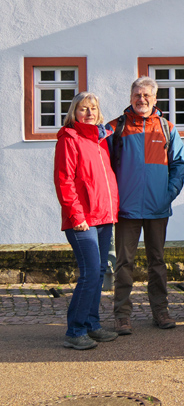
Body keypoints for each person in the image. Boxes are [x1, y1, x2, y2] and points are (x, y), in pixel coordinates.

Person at [109, 77, 184, 335]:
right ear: (130, 97)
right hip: (126, 208)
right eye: (137, 95)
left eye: (146, 95)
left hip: (158, 207)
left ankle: (160, 311)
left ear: (155, 99)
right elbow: (103, 166)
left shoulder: (166, 128)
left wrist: (170, 193)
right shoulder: (116, 128)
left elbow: (178, 165)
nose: (141, 100)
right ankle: (122, 315)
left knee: (157, 261)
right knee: (124, 263)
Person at [54, 92, 120, 350]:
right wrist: (76, 215)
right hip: (82, 219)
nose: (89, 113)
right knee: (91, 272)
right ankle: (75, 330)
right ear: (74, 112)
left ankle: (92, 324)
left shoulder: (100, 139)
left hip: (104, 216)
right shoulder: (69, 139)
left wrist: (112, 211)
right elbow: (64, 180)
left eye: (93, 108)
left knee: (100, 271)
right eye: (83, 109)